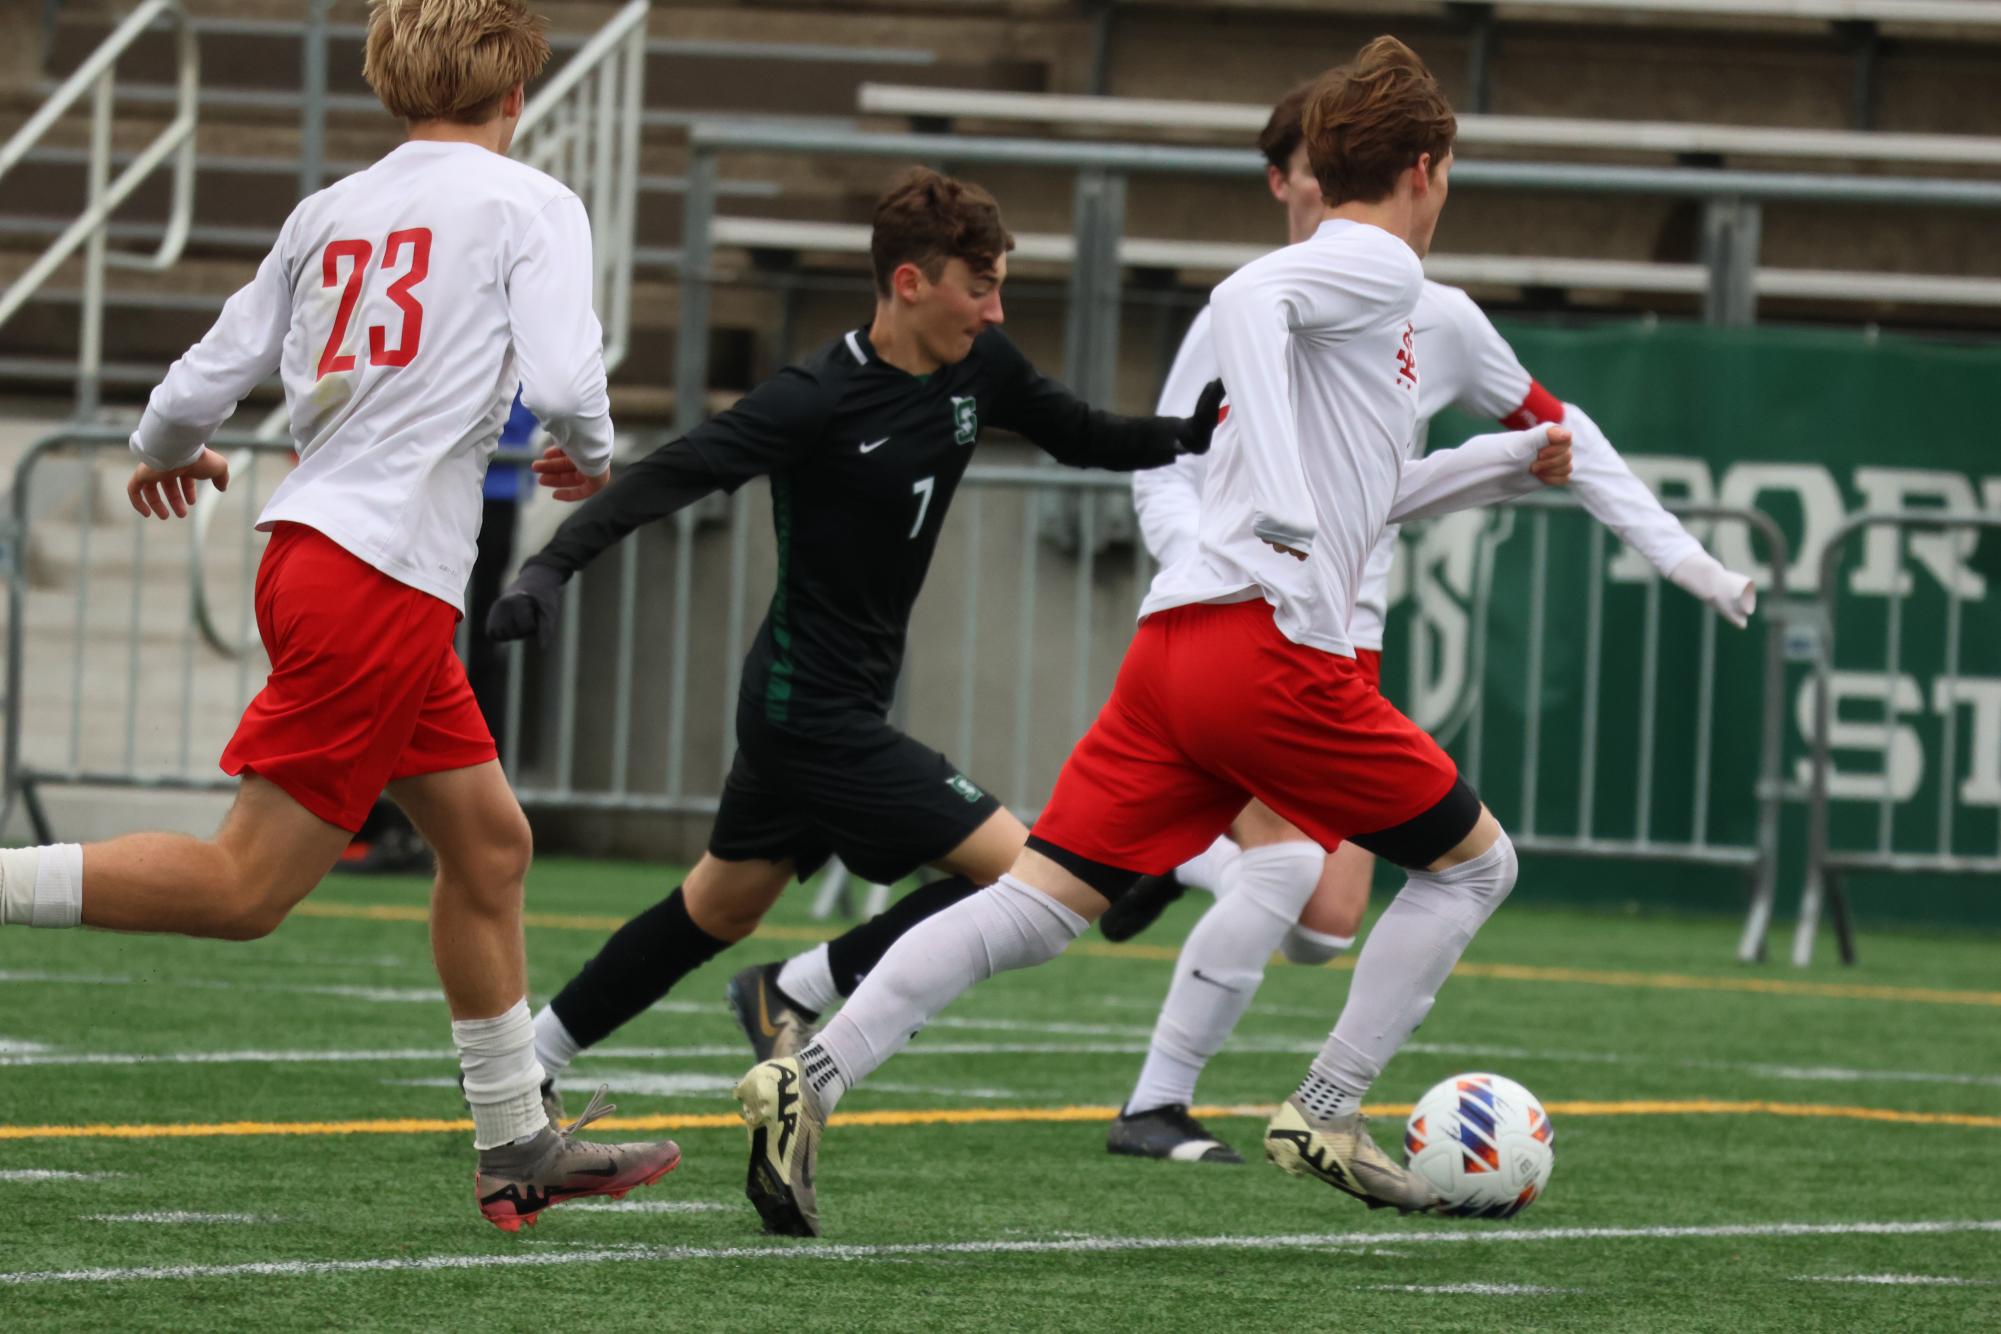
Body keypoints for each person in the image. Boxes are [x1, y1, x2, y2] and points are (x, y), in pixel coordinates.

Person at [732, 35, 1578, 1237]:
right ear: (1429, 172)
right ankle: (1327, 1106)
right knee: (1475, 862)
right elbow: (1251, 304)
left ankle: (807, 1071)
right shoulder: (1381, 281)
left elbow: (1374, 486)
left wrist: (1500, 463)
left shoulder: (1355, 313)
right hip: (1271, 653)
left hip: (1178, 644)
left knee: (1036, 903)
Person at [0, 0, 681, 1232]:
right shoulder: (531, 202)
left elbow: (199, 381)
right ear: (517, 84)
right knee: (244, 888)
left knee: (487, 846)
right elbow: (573, 382)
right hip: (378, 575)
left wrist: (168, 451)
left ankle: (515, 1138)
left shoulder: (332, 208)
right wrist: (592, 448)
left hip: (324, 553)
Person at [1099, 81, 1759, 1164]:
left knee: (1325, 920)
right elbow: (1169, 470)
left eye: (1335, 171)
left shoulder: (1438, 316)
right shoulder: (1254, 304)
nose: (1320, 195)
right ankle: (1163, 1103)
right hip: (1243, 625)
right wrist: (1229, 564)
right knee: (1315, 873)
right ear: (1291, 184)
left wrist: (1687, 558)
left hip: (1346, 636)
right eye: (1306, 174)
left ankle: (1171, 868)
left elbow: (1560, 430)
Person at [482, 167, 1224, 1108]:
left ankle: (529, 1063)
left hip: (824, 704)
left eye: (998, 285)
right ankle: (801, 988)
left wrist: (1185, 435)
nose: (995, 312)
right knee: (1028, 878)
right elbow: (675, 472)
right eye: (978, 286)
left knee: (716, 909)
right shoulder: (815, 397)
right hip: (808, 712)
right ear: (909, 283)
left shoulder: (978, 370)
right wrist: (550, 569)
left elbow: (1079, 432)